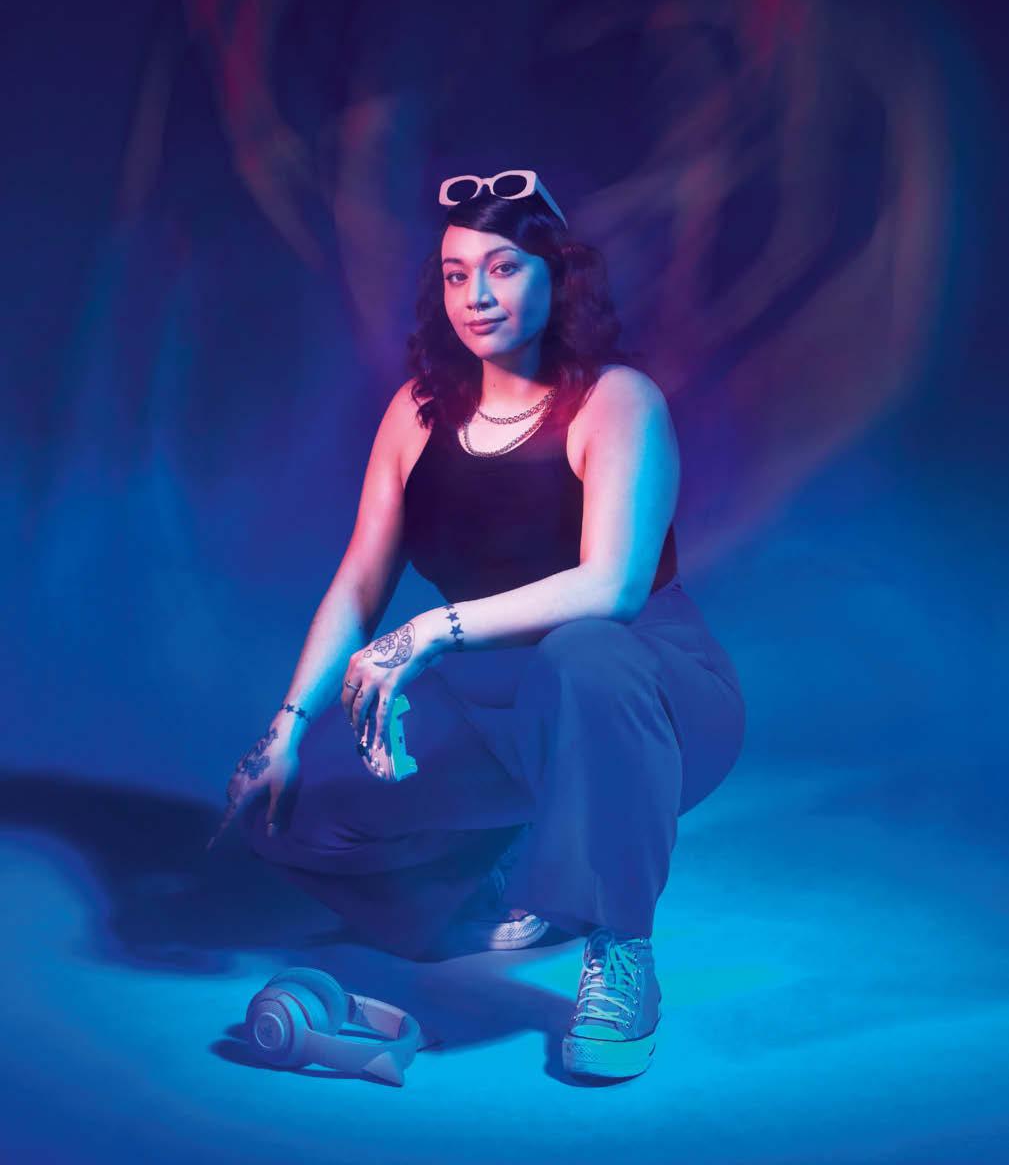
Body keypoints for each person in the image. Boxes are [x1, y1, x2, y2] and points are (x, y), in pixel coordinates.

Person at [208, 168, 746, 1080]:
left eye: (502, 268)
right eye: (457, 274)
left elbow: (612, 587)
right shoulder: (417, 413)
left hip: (648, 697)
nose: (477, 296)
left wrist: (428, 632)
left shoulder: (615, 400)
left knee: (583, 654)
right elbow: (359, 583)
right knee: (281, 813)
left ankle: (619, 949)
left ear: (555, 276)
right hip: (493, 706)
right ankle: (496, 873)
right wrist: (289, 727)